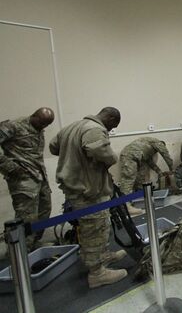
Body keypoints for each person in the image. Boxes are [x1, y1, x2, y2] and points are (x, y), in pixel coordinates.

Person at [50, 107, 127, 288]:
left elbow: (53, 147)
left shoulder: (72, 126)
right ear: (108, 117)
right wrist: (111, 158)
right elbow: (105, 155)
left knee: (97, 225)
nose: (110, 130)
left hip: (78, 187)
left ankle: (101, 256)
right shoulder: (94, 129)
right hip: (88, 190)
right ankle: (97, 273)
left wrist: (74, 156)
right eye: (112, 126)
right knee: (94, 227)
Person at [0, 107, 55, 250]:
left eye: (47, 125)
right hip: (22, 180)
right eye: (42, 123)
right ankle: (21, 252)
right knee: (26, 217)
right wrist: (9, 166)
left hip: (39, 176)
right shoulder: (13, 126)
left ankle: (34, 243)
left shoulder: (39, 128)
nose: (44, 127)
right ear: (35, 116)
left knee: (45, 210)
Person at [118, 137, 174, 214]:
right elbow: (166, 156)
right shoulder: (159, 143)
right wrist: (172, 169)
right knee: (128, 181)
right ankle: (125, 207)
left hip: (135, 156)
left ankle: (139, 198)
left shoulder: (146, 147)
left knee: (141, 179)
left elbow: (150, 162)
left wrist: (159, 172)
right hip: (130, 156)